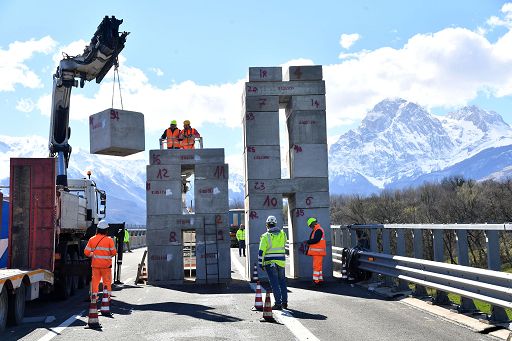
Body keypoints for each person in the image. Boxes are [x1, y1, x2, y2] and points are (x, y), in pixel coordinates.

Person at [84, 220, 117, 317]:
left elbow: (86, 252)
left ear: (97, 229)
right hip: (106, 266)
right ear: (106, 230)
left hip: (95, 266)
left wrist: (93, 254)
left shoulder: (92, 239)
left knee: (95, 283)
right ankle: (108, 299)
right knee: (107, 283)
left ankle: (94, 299)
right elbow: (114, 253)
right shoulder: (109, 240)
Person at [258, 215, 288, 310]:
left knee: (274, 283)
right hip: (281, 262)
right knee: (282, 282)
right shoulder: (283, 234)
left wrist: (260, 263)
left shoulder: (265, 236)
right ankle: (284, 302)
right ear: (275, 224)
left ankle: (278, 304)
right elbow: (284, 243)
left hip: (270, 263)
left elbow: (261, 251)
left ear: (267, 225)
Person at [304, 217, 326, 286]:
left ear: (312, 224)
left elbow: (316, 240)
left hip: (318, 252)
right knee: (318, 267)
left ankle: (316, 281)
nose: (310, 227)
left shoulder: (318, 230)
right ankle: (320, 280)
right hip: (318, 252)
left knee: (316, 267)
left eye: (310, 226)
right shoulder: (317, 229)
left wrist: (307, 242)